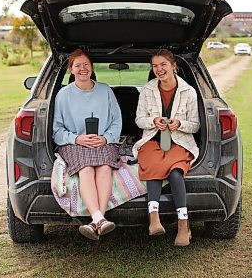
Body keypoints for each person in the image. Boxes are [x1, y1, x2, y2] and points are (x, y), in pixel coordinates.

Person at [53, 49, 122, 241]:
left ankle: (95, 221)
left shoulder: (105, 90)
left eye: (87, 65)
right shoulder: (62, 95)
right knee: (86, 168)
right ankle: (100, 218)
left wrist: (106, 138)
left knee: (105, 167)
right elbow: (57, 129)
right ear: (71, 69)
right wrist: (77, 139)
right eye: (78, 65)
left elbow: (117, 121)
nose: (83, 69)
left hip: (103, 141)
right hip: (73, 142)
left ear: (92, 67)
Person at [133, 49, 200, 246]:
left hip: (179, 141)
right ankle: (153, 218)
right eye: (155, 66)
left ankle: (182, 224)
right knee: (152, 165)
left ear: (173, 66)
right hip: (153, 140)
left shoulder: (189, 92)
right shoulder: (147, 90)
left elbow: (195, 125)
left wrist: (180, 124)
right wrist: (153, 121)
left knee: (175, 173)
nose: (159, 69)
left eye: (163, 65)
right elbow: (139, 120)